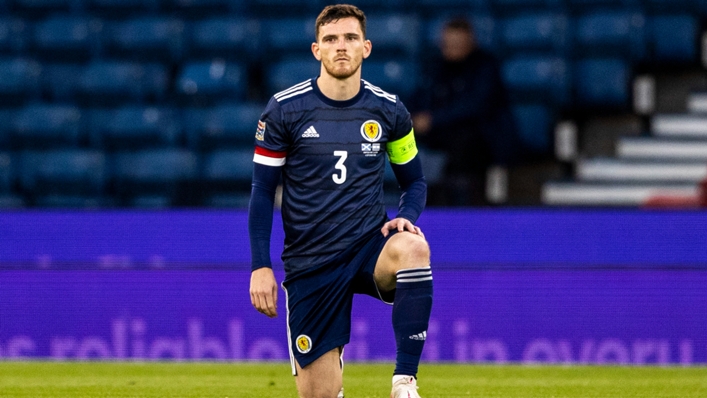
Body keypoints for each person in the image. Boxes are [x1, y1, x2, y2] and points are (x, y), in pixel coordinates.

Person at [248, 4, 432, 398]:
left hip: (368, 246)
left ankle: (404, 383)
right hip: (310, 261)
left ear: (366, 47)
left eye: (350, 38)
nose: (341, 47)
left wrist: (407, 216)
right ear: (317, 50)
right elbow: (262, 191)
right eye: (331, 39)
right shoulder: (284, 110)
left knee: (414, 247)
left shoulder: (390, 111)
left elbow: (414, 181)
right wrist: (260, 265)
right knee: (320, 396)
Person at [410, 18, 519, 206]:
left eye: (458, 44)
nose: (452, 49)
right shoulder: (435, 67)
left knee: (464, 143)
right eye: (448, 44)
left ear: (471, 42)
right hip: (440, 136)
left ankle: (461, 205)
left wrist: (433, 120)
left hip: (481, 139)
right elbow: (419, 98)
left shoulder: (485, 66)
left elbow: (475, 107)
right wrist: (415, 118)